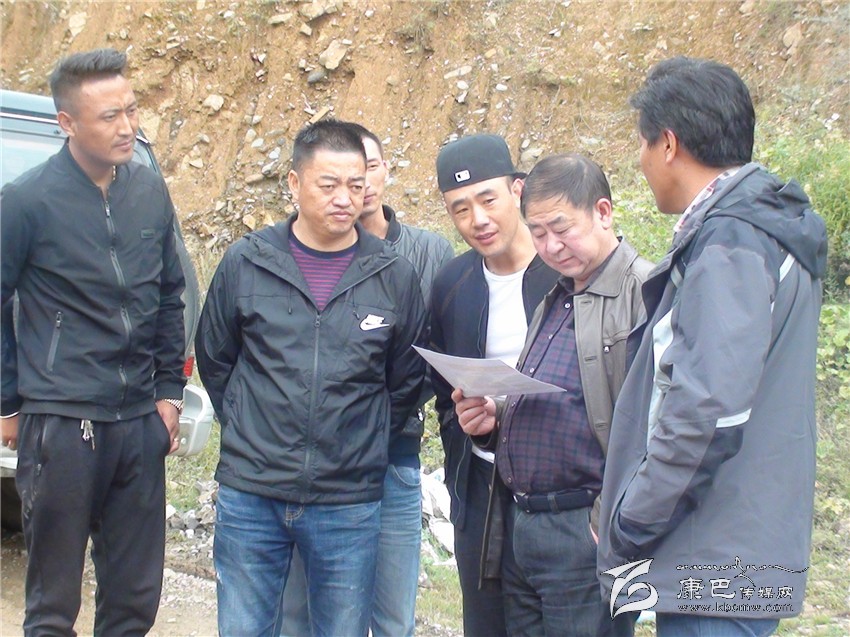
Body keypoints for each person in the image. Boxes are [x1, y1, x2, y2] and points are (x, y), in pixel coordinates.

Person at [598, 57, 828, 637]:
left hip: (715, 558)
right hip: (741, 541)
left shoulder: (733, 240)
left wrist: (633, 519)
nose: (641, 161)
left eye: (642, 145)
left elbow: (707, 411)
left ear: (668, 144)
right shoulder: (766, 225)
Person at [195, 118, 427, 637]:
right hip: (252, 492)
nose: (344, 198)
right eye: (328, 184)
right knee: (244, 628)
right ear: (295, 183)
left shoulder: (392, 274)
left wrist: (361, 442)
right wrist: (251, 428)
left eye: (356, 185)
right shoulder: (248, 261)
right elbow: (215, 358)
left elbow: (404, 380)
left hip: (349, 499)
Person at [0, 48, 186, 635]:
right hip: (62, 421)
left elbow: (170, 294)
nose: (127, 126)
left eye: (131, 110)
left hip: (139, 421)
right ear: (67, 122)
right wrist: (8, 400)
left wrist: (169, 393)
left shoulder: (148, 190)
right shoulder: (27, 201)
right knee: (53, 606)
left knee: (133, 602)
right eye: (109, 116)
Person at [453, 153, 652, 636]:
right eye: (538, 233)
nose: (551, 246)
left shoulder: (643, 292)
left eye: (562, 228)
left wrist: (608, 522)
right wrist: (495, 415)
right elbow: (562, 397)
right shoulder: (559, 295)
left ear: (603, 212)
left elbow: (658, 424)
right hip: (526, 524)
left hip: (587, 528)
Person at [279, 122, 453, 637]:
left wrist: (371, 423)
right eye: (338, 180)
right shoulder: (289, 255)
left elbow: (426, 358)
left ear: (382, 172)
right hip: (309, 463)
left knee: (392, 613)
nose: (358, 188)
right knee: (305, 610)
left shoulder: (427, 253)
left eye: (367, 172)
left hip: (393, 455)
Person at [430, 133, 559, 637]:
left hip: (559, 496)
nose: (478, 220)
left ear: (517, 191)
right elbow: (444, 394)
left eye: (488, 200)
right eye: (460, 209)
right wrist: (469, 427)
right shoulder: (452, 284)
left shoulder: (564, 273)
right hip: (483, 493)